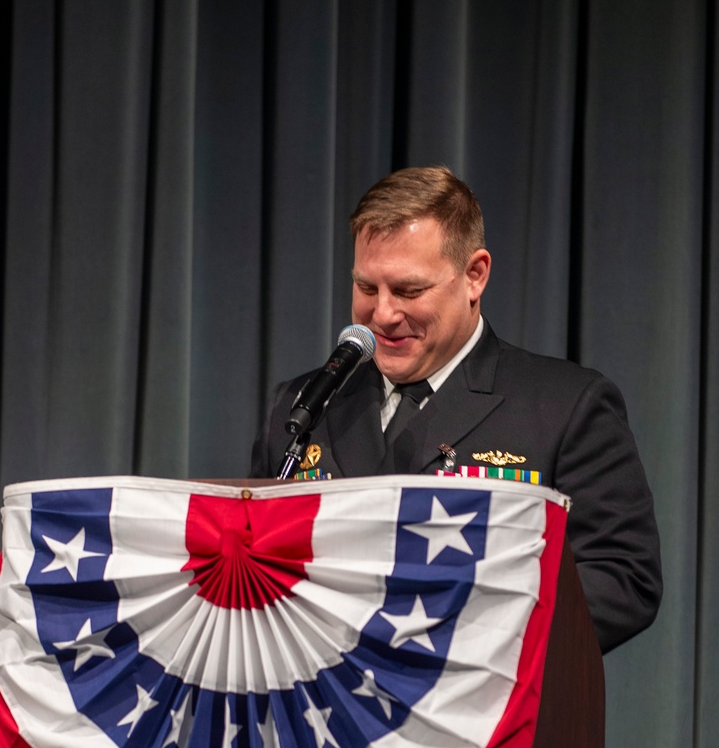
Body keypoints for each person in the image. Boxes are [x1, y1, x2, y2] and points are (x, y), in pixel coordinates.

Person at [249, 166, 661, 654]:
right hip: (326, 715)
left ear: (474, 276)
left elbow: (622, 577)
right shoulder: (304, 406)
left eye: (408, 291)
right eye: (366, 288)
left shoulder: (566, 406)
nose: (382, 315)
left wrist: (458, 634)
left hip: (483, 713)